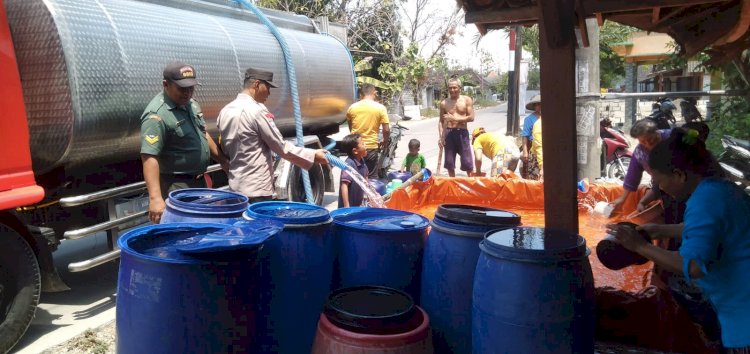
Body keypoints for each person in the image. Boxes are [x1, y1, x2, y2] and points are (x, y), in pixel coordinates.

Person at [609, 128, 750, 351]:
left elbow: (693, 265)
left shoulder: (704, 201)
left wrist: (639, 246)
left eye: (658, 181)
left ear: (678, 174)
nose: (659, 188)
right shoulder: (720, 190)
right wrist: (659, 230)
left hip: (743, 319)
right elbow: (710, 229)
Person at [216, 67, 328, 203]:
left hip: (235, 187)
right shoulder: (257, 111)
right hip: (256, 190)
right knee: (260, 224)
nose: (269, 93)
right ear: (256, 85)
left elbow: (225, 146)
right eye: (268, 87)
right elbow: (281, 147)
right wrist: (313, 155)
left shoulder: (225, 111)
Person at [140, 62, 229, 223]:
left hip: (198, 183)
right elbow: (149, 157)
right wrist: (155, 198)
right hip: (177, 186)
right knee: (184, 234)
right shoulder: (156, 115)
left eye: (191, 88)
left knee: (202, 228)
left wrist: (223, 161)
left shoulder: (191, 105)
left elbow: (202, 133)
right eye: (182, 88)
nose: (187, 93)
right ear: (166, 85)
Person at [611, 119, 678, 221]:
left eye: (651, 139)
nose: (647, 144)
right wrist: (623, 199)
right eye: (642, 142)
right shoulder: (640, 152)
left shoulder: (674, 137)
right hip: (665, 191)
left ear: (657, 132)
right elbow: (632, 176)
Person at [346, 84, 389, 178]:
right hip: (371, 148)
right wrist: (385, 141)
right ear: (375, 93)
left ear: (360, 94)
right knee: (372, 177)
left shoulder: (352, 108)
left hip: (355, 148)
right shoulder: (380, 108)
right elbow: (386, 130)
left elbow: (351, 127)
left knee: (354, 177)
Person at [439, 77, 475, 177]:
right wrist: (441, 137)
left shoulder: (466, 100)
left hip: (462, 133)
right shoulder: (443, 103)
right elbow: (441, 122)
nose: (452, 90)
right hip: (449, 134)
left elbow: (471, 118)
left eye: (454, 87)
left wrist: (455, 119)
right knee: (450, 163)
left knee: (467, 162)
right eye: (450, 88)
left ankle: (472, 184)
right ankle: (452, 185)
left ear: (460, 88)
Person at [338, 134, 368, 207]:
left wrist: (367, 195)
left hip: (357, 203)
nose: (366, 145)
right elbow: (344, 184)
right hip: (348, 207)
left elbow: (366, 178)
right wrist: (346, 206)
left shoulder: (362, 161)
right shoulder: (349, 164)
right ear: (355, 151)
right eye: (363, 144)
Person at [520, 95, 541, 180]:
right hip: (534, 148)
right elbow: (525, 136)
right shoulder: (529, 119)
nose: (539, 106)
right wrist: (525, 151)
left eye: (541, 104)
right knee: (534, 174)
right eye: (537, 104)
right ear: (534, 106)